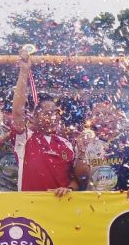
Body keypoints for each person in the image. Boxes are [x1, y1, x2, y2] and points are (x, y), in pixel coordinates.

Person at [10, 49, 78, 195]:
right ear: (33, 117)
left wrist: (69, 189)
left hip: (62, 206)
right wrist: (24, 71)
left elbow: (75, 179)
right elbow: (17, 112)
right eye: (47, 113)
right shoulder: (24, 138)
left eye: (55, 112)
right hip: (31, 206)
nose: (53, 117)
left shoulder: (66, 144)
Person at [74, 99, 129, 192]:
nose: (103, 118)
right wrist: (81, 152)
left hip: (124, 199)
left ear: (118, 116)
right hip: (93, 199)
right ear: (92, 119)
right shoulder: (85, 142)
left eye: (108, 114)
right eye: (97, 114)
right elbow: (82, 181)